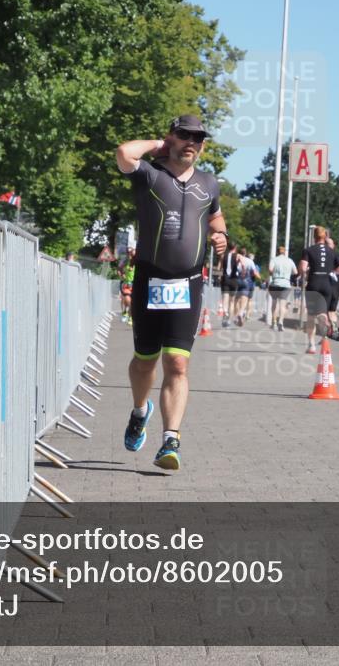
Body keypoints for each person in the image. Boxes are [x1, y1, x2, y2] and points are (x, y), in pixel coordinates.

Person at [115, 114, 228, 470]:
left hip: (188, 282)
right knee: (144, 361)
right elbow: (123, 152)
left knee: (177, 362)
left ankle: (170, 441)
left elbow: (215, 217)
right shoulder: (150, 174)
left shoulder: (210, 183)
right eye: (184, 135)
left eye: (198, 138)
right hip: (150, 278)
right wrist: (158, 145)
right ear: (171, 138)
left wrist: (220, 235)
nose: (192, 142)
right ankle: (139, 411)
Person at [298, 226, 339, 354]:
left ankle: (311, 345)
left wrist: (304, 275)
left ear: (314, 237)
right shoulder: (332, 252)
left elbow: (303, 268)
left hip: (314, 282)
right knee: (324, 312)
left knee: (310, 316)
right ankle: (324, 322)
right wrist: (333, 273)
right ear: (325, 237)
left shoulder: (308, 250)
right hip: (327, 284)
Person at [268, 246, 297, 331]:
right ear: (285, 252)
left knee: (274, 303)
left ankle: (274, 322)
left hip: (275, 283)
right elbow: (295, 272)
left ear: (277, 252)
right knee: (282, 304)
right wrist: (288, 273)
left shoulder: (274, 260)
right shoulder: (290, 260)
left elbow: (270, 270)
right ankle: (281, 322)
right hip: (286, 283)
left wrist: (273, 274)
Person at [219, 241, 240, 326]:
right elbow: (241, 265)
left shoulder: (223, 255)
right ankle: (229, 320)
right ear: (235, 248)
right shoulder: (237, 256)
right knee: (232, 301)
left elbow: (219, 267)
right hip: (234, 279)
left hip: (225, 279)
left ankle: (225, 313)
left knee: (225, 299)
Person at [119, 247, 136, 325]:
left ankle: (130, 317)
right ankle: (125, 311)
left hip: (136, 284)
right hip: (127, 284)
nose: (130, 255)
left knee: (133, 303)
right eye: (128, 253)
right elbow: (119, 269)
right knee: (127, 299)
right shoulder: (125, 261)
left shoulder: (137, 262)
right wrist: (122, 275)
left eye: (132, 254)